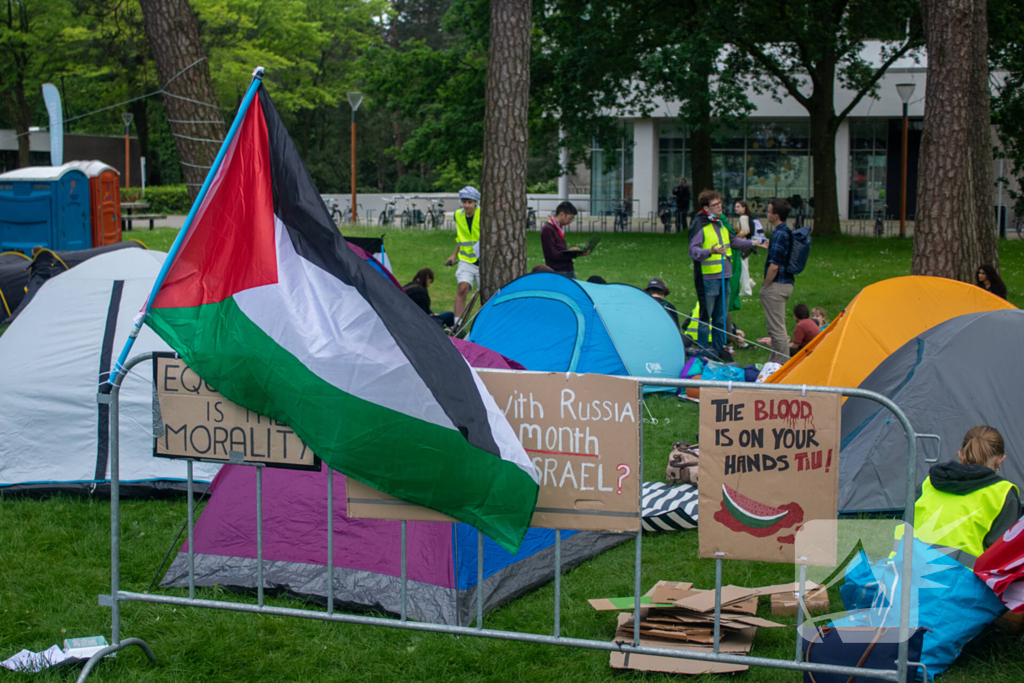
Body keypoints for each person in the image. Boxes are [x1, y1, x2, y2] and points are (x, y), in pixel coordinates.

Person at [897, 425, 1021, 565]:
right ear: (1000, 459)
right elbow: (1003, 557)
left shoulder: (928, 483)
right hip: (961, 577)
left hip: (904, 571)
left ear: (961, 454)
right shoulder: (1003, 493)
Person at [688, 190, 763, 355]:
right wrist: (710, 251)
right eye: (715, 205)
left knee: (721, 317)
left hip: (725, 276)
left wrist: (754, 243)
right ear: (706, 208)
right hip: (708, 278)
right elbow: (693, 251)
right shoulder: (700, 224)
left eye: (720, 203)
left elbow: (733, 241)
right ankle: (703, 351)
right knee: (706, 317)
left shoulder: (720, 222)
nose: (719, 206)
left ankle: (718, 350)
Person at [760, 197, 796, 363]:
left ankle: (782, 363)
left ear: (776, 216)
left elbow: (774, 266)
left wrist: (766, 285)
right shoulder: (786, 232)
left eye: (769, 211)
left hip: (777, 285)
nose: (767, 214)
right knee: (775, 327)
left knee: (777, 329)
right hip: (786, 283)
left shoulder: (779, 234)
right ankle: (774, 362)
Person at [444, 186, 481, 325]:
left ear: (476, 202)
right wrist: (454, 255)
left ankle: (483, 325)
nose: (466, 205)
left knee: (486, 295)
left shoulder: (483, 214)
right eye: (464, 202)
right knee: (462, 288)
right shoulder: (458, 215)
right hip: (466, 260)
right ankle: (457, 325)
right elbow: (461, 238)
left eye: (470, 202)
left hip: (484, 262)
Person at [541, 201, 590, 278]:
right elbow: (553, 254)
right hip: (558, 270)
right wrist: (573, 253)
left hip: (567, 268)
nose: (570, 221)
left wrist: (572, 251)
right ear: (562, 214)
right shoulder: (548, 229)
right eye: (570, 218)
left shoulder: (558, 228)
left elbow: (560, 249)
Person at [734, 200, 761, 297]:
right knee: (744, 266)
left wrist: (736, 237)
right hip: (749, 243)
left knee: (742, 267)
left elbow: (746, 231)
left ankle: (746, 289)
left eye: (738, 206)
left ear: (744, 208)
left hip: (744, 243)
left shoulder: (743, 217)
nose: (736, 208)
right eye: (736, 207)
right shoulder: (748, 217)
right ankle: (749, 283)